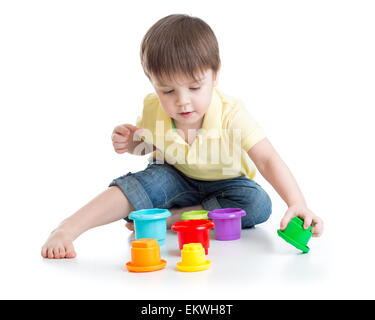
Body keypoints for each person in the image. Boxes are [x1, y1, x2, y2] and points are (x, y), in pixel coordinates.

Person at [41, 14, 323, 259]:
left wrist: (297, 202)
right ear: (153, 83)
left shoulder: (231, 113)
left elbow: (267, 159)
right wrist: (133, 143)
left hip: (225, 184)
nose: (182, 102)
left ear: (215, 76)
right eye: (167, 91)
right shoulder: (152, 108)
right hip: (173, 174)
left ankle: (169, 218)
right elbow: (153, 144)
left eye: (194, 87)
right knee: (141, 185)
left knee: (257, 203)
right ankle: (68, 227)